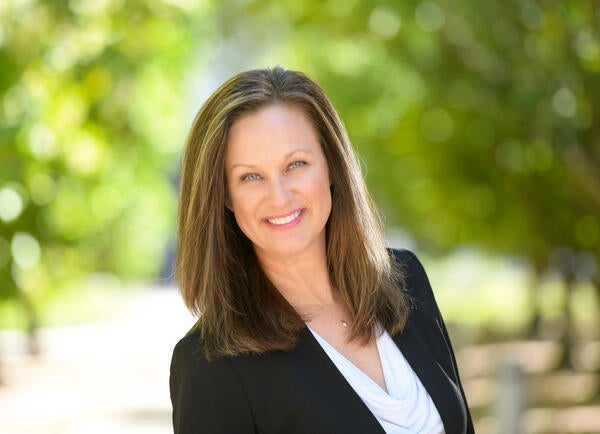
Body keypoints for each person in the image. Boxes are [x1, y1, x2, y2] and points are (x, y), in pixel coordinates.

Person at [170, 66, 474, 434]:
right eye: (250, 176)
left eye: (295, 164)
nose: (279, 196)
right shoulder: (210, 364)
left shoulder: (405, 280)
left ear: (331, 166)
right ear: (224, 196)